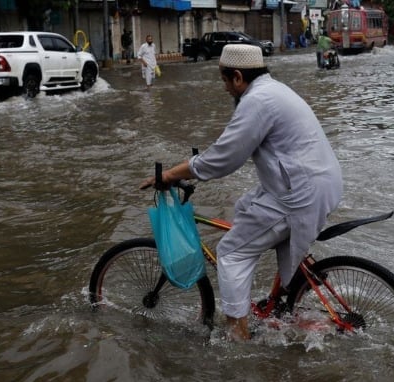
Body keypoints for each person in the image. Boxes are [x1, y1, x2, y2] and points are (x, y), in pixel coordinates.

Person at [139, 44, 343, 341]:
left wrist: (170, 174)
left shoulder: (257, 101)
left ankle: (237, 332)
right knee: (245, 205)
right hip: (313, 182)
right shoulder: (273, 90)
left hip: (299, 192)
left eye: (224, 81)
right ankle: (280, 302)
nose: (225, 89)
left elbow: (224, 157)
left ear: (237, 77)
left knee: (230, 252)